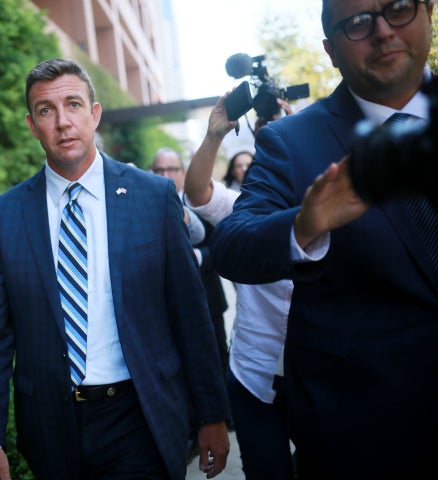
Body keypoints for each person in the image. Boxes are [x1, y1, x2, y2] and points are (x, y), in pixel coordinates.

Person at [209, 1, 438, 478]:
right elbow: (231, 244)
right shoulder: (291, 141)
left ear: (429, 11)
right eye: (359, 23)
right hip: (365, 440)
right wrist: (304, 225)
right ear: (330, 49)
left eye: (400, 9)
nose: (384, 32)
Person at [0, 57, 231, 480]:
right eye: (46, 111)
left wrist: (212, 413)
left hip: (140, 415)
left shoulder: (152, 196)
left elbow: (190, 313)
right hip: (51, 426)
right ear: (32, 125)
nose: (62, 122)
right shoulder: (4, 216)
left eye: (73, 105)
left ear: (94, 114)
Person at [184, 95, 296, 480]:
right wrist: (214, 135)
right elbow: (198, 192)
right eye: (264, 147)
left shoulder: (326, 199)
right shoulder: (241, 207)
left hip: (321, 369)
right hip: (253, 373)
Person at [150, 147, 235, 451]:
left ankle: (223, 415)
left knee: (215, 354)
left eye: (171, 170)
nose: (165, 176)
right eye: (159, 170)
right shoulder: (148, 203)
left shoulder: (202, 199)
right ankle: (189, 429)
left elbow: (222, 246)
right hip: (167, 305)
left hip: (208, 297)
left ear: (183, 172)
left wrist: (195, 257)